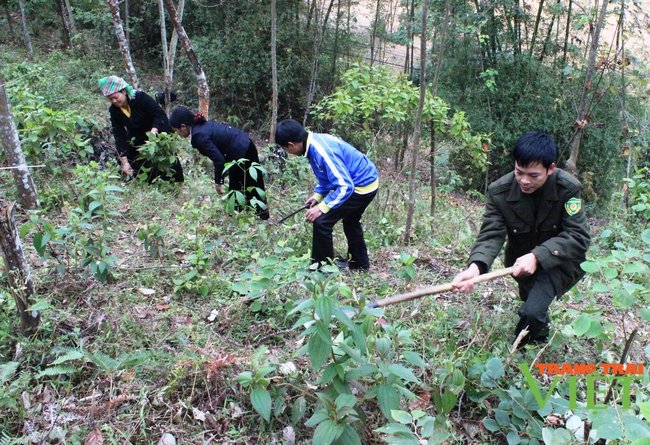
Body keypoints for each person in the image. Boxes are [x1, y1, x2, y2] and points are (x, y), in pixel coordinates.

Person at [451, 131, 591, 346]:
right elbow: (491, 234)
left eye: (533, 175)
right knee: (532, 305)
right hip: (520, 264)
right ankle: (541, 335)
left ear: (550, 169)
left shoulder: (568, 189)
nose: (524, 181)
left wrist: (537, 256)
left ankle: (521, 351)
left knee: (532, 312)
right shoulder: (500, 192)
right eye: (519, 172)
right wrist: (475, 268)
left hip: (559, 263)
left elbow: (578, 236)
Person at [275, 119, 379, 271]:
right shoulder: (312, 143)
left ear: (291, 144)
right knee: (351, 221)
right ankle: (359, 265)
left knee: (322, 222)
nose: (289, 153)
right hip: (365, 181)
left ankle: (322, 269)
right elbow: (326, 175)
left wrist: (322, 207)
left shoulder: (321, 150)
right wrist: (318, 196)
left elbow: (345, 186)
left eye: (287, 149)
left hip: (361, 187)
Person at [169, 106, 269, 220]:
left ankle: (255, 217)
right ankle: (252, 216)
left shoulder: (199, 136)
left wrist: (218, 182)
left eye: (176, 130)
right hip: (244, 144)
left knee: (243, 187)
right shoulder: (199, 129)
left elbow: (219, 160)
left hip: (241, 149)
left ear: (183, 127)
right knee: (245, 185)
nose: (177, 133)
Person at [98, 75, 184, 184]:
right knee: (134, 157)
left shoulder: (140, 97)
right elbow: (119, 134)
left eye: (116, 97)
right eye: (111, 99)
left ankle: (179, 184)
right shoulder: (114, 110)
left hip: (157, 128)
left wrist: (153, 133)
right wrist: (124, 161)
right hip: (137, 134)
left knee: (167, 155)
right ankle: (147, 182)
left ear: (123, 91)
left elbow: (159, 114)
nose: (114, 101)